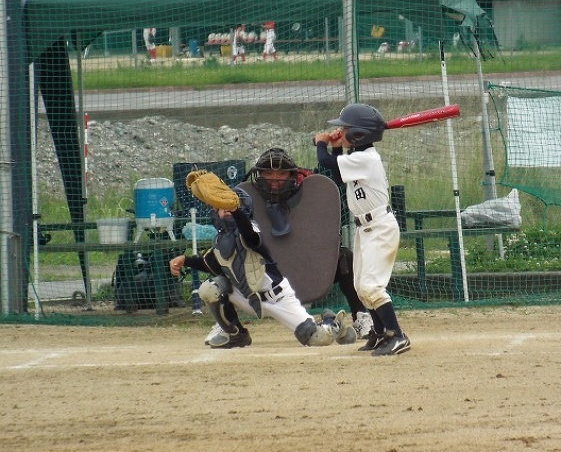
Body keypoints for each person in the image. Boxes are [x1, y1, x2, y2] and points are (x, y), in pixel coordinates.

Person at [169, 171, 356, 349]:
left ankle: (330, 322)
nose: (225, 210)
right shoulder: (220, 241)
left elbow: (248, 234)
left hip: (277, 297)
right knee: (210, 288)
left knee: (317, 338)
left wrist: (235, 210)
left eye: (230, 206)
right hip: (247, 297)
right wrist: (184, 260)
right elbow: (208, 263)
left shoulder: (251, 228)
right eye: (221, 207)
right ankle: (235, 334)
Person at [314, 103, 411, 356]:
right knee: (360, 287)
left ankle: (397, 336)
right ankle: (379, 334)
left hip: (379, 227)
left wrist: (321, 143)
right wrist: (337, 146)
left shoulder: (366, 158)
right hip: (365, 228)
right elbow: (338, 176)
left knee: (372, 287)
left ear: (359, 134)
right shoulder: (358, 158)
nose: (341, 131)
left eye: (345, 129)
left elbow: (325, 161)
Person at [248, 147, 374, 338]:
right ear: (259, 175)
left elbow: (328, 227)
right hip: (264, 272)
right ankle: (227, 325)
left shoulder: (312, 192)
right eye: (268, 173)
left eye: (281, 174)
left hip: (308, 266)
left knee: (346, 258)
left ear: (291, 175)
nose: (274, 179)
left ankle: (361, 317)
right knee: (226, 263)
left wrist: (335, 149)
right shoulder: (245, 197)